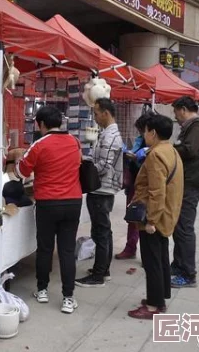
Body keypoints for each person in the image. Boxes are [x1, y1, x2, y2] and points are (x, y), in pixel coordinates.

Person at [14, 106, 83, 314]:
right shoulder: (74, 141)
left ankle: (42, 290)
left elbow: (21, 171)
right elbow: (78, 163)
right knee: (67, 250)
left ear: (41, 124)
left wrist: (18, 159)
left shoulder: (39, 144)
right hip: (73, 201)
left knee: (45, 248)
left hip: (47, 203)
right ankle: (68, 298)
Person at [128, 114, 183, 319]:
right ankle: (159, 297)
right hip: (166, 214)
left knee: (152, 261)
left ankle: (153, 306)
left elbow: (157, 191)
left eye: (145, 131)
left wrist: (151, 220)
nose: (143, 134)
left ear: (153, 133)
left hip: (155, 217)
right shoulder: (171, 151)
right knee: (160, 258)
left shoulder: (156, 155)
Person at [75, 98, 123, 288]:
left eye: (96, 113)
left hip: (102, 189)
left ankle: (98, 275)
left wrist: (85, 169)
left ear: (106, 113)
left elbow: (103, 165)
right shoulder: (106, 134)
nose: (94, 117)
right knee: (103, 230)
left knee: (101, 232)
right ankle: (104, 269)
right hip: (102, 188)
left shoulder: (110, 136)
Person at [170, 96, 199, 288]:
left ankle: (188, 274)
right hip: (186, 182)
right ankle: (178, 266)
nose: (175, 116)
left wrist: (169, 149)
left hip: (191, 183)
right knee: (179, 227)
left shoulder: (196, 126)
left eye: (176, 112)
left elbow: (190, 150)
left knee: (185, 228)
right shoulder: (193, 126)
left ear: (184, 109)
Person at [115, 111, 155, 260]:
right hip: (135, 182)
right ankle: (131, 248)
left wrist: (138, 157)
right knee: (134, 216)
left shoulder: (156, 147)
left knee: (144, 218)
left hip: (146, 186)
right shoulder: (141, 140)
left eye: (142, 130)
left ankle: (146, 253)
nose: (141, 133)